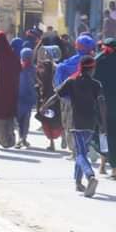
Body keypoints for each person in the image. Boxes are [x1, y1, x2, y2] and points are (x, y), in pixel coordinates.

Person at [42, 56, 107, 197]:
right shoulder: (96, 84)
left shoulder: (71, 81)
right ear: (92, 69)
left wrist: (44, 106)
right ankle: (78, 183)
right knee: (81, 151)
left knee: (80, 154)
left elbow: (56, 96)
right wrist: (103, 124)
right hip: (90, 124)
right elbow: (102, 104)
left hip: (76, 123)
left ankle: (90, 176)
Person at [56, 34, 96, 153]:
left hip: (70, 98)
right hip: (90, 99)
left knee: (70, 123)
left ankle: (75, 150)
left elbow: (61, 70)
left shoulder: (72, 61)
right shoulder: (94, 60)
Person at [35, 46, 63, 151]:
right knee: (59, 118)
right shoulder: (60, 66)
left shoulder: (43, 66)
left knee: (47, 119)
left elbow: (40, 80)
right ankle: (63, 138)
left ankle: (52, 143)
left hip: (46, 97)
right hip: (58, 96)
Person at [94, 38, 116, 176]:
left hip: (102, 106)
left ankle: (104, 166)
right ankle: (112, 168)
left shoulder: (99, 60)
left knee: (103, 134)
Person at [16, 48, 37, 149]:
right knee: (25, 120)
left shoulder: (17, 67)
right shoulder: (34, 69)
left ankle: (21, 138)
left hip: (18, 97)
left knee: (19, 119)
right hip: (28, 98)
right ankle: (22, 138)